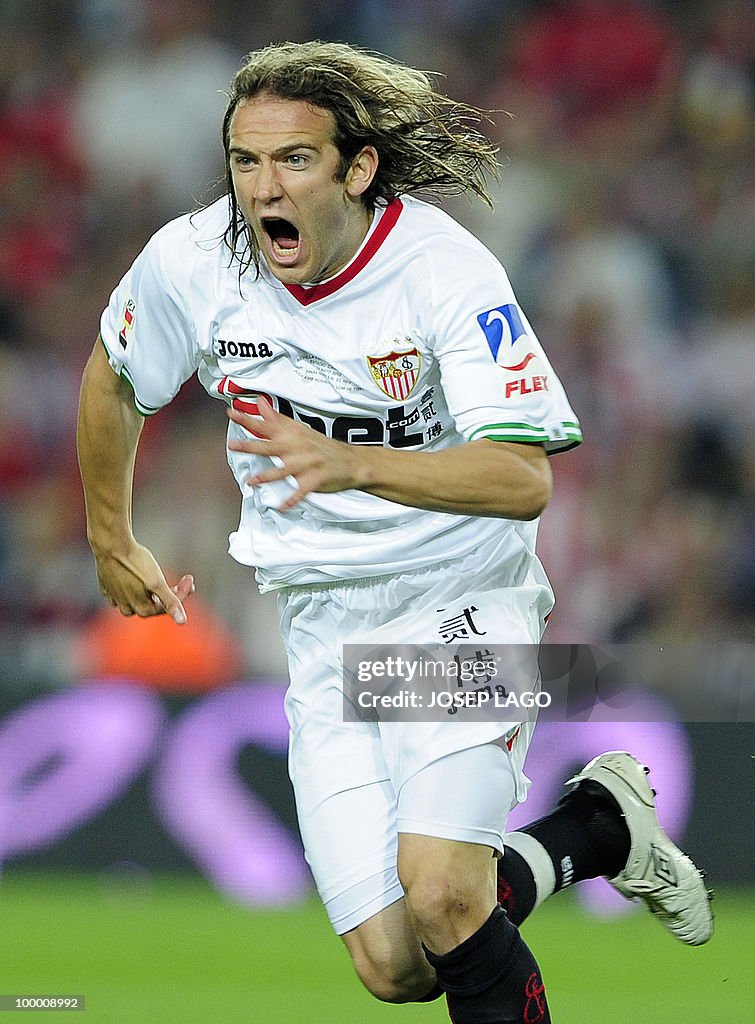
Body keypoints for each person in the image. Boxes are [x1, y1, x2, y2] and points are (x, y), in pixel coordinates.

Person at [77, 40, 712, 1023]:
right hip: (322, 629)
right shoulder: (192, 263)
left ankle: (575, 839)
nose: (261, 186)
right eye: (244, 161)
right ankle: (594, 830)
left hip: (457, 605)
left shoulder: (442, 271)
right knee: (396, 964)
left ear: (355, 167)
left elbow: (521, 473)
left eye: (292, 159)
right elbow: (114, 376)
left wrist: (356, 462)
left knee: (445, 892)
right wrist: (111, 538)